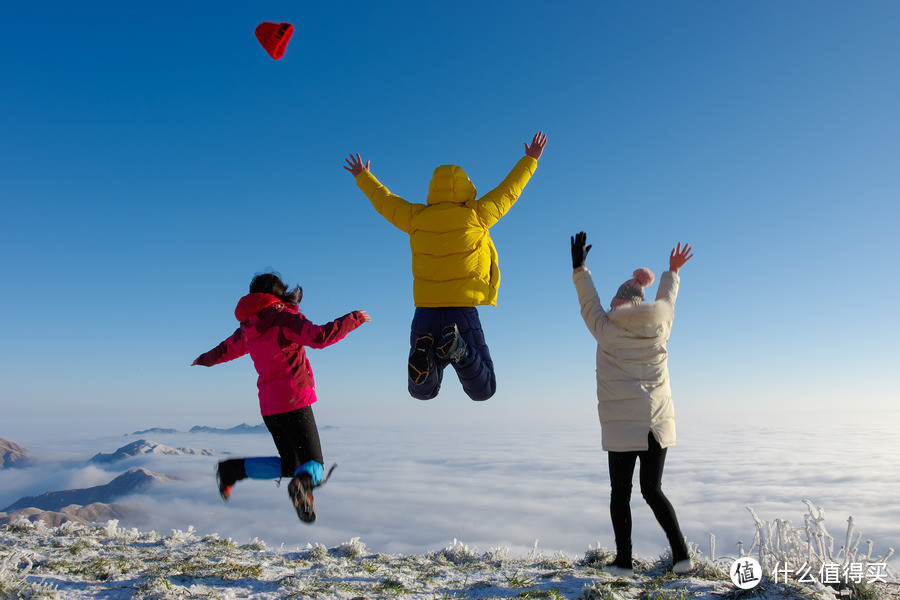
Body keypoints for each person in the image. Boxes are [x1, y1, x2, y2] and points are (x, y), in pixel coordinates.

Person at [343, 132, 547, 401]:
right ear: (466, 187)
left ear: (432, 190)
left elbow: (385, 202)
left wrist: (363, 177)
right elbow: (509, 190)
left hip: (425, 311)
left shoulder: (416, 218)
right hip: (461, 312)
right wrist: (530, 160)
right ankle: (459, 350)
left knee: (423, 392)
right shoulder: (477, 214)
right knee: (484, 390)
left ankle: (425, 353)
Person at [192, 272, 370, 523]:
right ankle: (302, 486)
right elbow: (319, 337)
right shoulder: (284, 318)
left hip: (269, 408)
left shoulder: (247, 328)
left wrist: (203, 360)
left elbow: (225, 350)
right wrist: (354, 319)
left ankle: (231, 470)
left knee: (290, 465)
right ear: (277, 292)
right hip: (294, 401)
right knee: (314, 466)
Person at [570, 232, 694, 575]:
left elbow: (588, 302)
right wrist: (672, 272)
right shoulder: (660, 328)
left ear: (618, 301)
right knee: (653, 491)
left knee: (620, 493)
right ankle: (682, 556)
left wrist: (580, 267)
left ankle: (623, 561)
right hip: (657, 423)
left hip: (623, 426)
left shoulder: (606, 329)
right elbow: (667, 301)